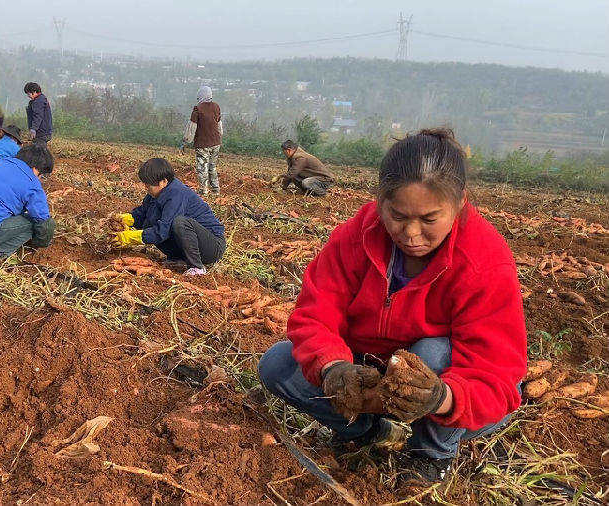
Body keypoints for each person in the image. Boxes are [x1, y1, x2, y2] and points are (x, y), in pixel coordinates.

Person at [257, 128, 526, 488]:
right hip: (369, 373)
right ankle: (369, 431)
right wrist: (335, 369)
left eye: (430, 219)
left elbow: (496, 376)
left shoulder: (485, 262)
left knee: (432, 352)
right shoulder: (356, 236)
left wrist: (440, 397)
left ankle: (431, 453)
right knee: (278, 365)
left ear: (460, 202)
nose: (411, 233)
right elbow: (315, 315)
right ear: (381, 199)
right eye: (397, 215)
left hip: (445, 387)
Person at [111, 158, 226, 276]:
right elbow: (142, 214)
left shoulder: (177, 195)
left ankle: (197, 267)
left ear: (164, 181)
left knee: (180, 223)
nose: (146, 188)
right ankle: (178, 258)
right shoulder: (156, 194)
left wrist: (128, 238)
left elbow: (162, 231)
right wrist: (123, 219)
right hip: (192, 242)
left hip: (212, 246)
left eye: (149, 185)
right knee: (148, 222)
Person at [181, 86, 223, 195]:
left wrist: (185, 141)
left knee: (202, 167)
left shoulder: (197, 109)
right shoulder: (216, 107)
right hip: (216, 143)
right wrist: (219, 137)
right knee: (212, 167)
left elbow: (191, 128)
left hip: (203, 143)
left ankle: (203, 191)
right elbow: (219, 125)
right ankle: (215, 190)